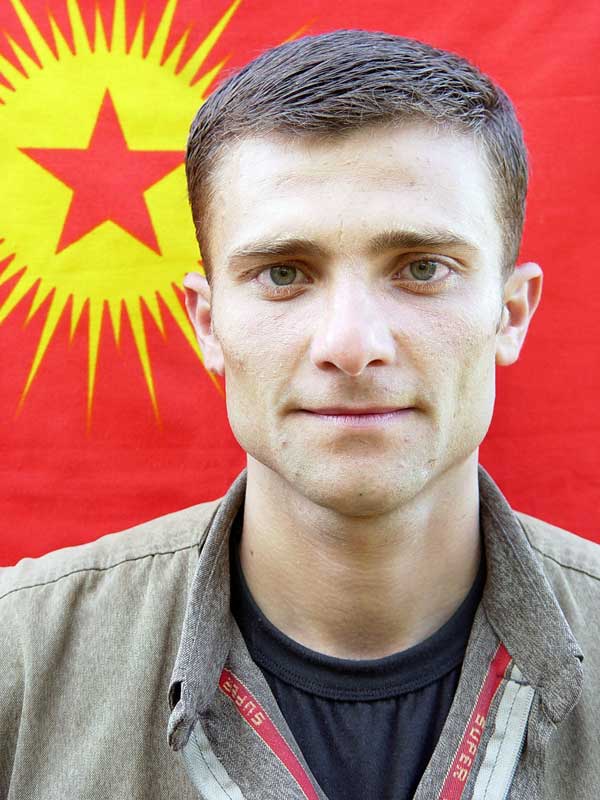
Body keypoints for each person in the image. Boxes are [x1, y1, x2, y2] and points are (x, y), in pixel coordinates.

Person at [1, 29, 599, 800]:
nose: (351, 345)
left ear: (510, 313)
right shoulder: (20, 661)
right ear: (208, 323)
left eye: (422, 268)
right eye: (284, 273)